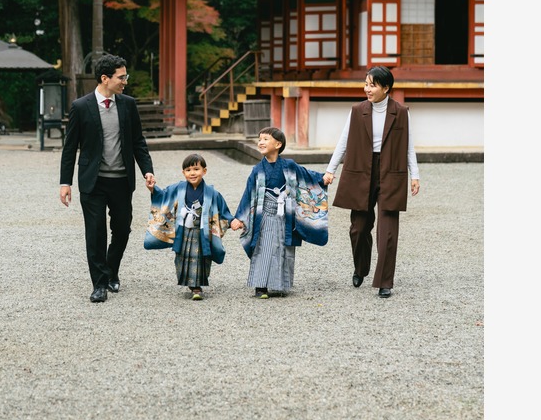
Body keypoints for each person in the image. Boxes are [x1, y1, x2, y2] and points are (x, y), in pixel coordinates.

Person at [59, 53, 156, 303]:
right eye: (121, 77)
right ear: (105, 78)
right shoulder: (80, 107)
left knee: (122, 229)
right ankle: (100, 283)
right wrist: (65, 182)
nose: (125, 81)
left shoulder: (127, 104)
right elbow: (70, 148)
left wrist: (147, 169)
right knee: (95, 232)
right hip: (93, 181)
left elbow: (138, 142)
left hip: (122, 180)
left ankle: (112, 270)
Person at [322, 66, 420, 298]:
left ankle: (385, 281)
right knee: (358, 228)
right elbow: (343, 142)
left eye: (372, 85)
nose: (367, 89)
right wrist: (330, 170)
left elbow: (409, 146)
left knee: (387, 231)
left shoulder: (401, 112)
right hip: (361, 171)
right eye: (366, 84)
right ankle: (360, 267)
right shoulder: (357, 111)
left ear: (386, 88)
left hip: (391, 172)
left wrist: (414, 175)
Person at [230, 127, 329, 299]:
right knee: (264, 247)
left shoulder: (289, 165)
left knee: (283, 247)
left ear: (278, 144)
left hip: (285, 215)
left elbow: (306, 176)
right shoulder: (257, 170)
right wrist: (239, 217)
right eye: (259, 139)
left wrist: (322, 178)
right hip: (265, 213)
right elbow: (248, 193)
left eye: (265, 139)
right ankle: (261, 285)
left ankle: (279, 284)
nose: (260, 142)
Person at [143, 153, 234, 300]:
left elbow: (222, 210)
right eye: (188, 170)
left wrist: (232, 220)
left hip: (201, 231)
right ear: (183, 172)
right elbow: (163, 195)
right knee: (183, 257)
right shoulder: (178, 188)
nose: (192, 173)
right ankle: (191, 284)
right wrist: (153, 189)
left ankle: (197, 287)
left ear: (204, 171)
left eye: (196, 169)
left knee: (202, 257)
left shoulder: (212, 193)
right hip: (183, 231)